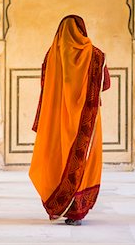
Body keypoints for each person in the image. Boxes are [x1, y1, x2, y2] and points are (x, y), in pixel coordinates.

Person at [29, 15, 110, 225]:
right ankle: (76, 211)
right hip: (87, 123)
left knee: (57, 158)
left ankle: (58, 205)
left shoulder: (52, 55)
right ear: (82, 30)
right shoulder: (96, 55)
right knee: (83, 161)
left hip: (57, 121)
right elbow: (106, 84)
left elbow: (45, 89)